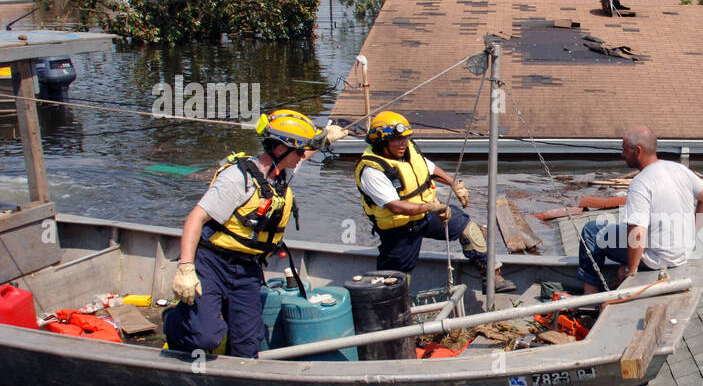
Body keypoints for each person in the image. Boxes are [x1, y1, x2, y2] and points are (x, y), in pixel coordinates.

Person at [166, 110, 346, 357]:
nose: (303, 156)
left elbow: (306, 154)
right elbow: (195, 218)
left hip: (248, 269)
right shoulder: (237, 179)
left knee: (248, 344)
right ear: (280, 149)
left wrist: (325, 139)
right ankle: (174, 322)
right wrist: (185, 268)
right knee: (205, 335)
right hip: (212, 264)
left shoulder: (283, 172)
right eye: (299, 151)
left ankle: (235, 382)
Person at [353, 111, 516, 292]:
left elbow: (430, 169)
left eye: (406, 138)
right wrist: (432, 207)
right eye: (397, 139)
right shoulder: (372, 171)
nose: (403, 143)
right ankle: (397, 314)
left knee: (468, 228)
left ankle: (492, 277)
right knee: (395, 280)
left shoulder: (409, 151)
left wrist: (454, 184)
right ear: (381, 141)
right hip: (399, 229)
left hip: (426, 215)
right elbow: (394, 206)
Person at [576, 126, 703, 294]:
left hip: (656, 259)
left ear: (638, 151)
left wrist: (631, 270)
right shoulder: (678, 169)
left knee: (591, 231)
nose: (622, 155)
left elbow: (637, 233)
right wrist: (691, 233)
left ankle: (588, 298)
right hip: (683, 253)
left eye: (624, 150)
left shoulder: (641, 182)